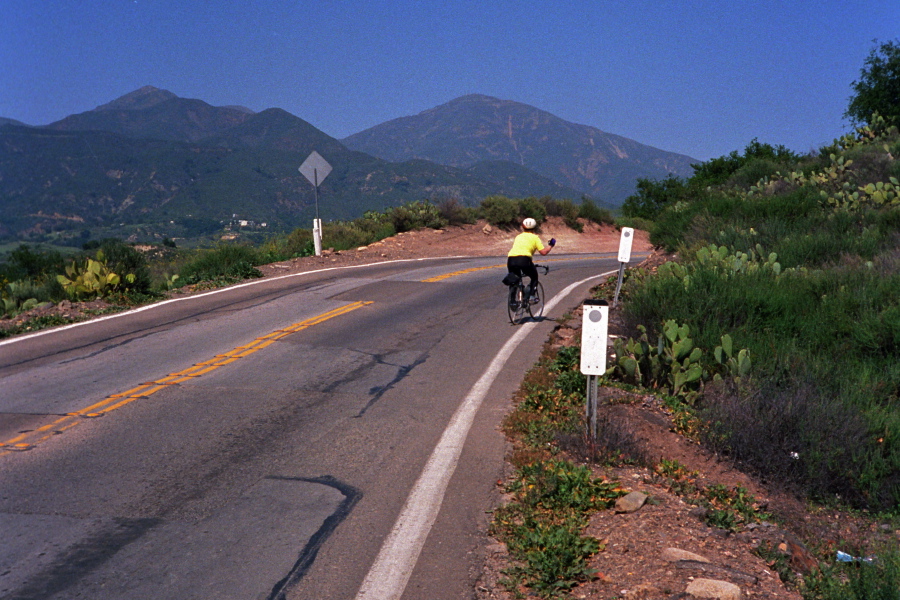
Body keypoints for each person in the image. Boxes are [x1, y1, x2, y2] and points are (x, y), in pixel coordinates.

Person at [507, 217, 555, 303]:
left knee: (514, 279)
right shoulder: (535, 238)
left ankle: (512, 301)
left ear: (523, 226)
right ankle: (531, 296)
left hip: (511, 260)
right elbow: (543, 252)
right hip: (524, 260)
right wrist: (551, 245)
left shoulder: (518, 237)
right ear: (534, 227)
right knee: (534, 277)